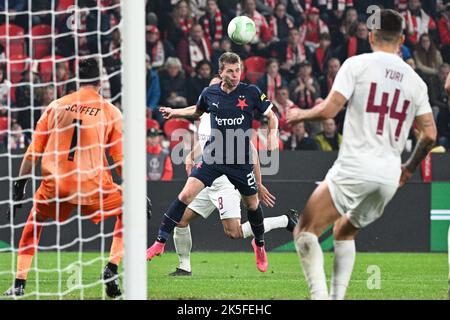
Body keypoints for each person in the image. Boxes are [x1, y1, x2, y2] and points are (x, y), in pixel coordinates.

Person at [286, 9, 437, 300]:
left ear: (370, 35)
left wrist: (300, 114)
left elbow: (329, 110)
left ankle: (319, 298)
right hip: (389, 177)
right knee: (344, 230)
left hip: (355, 167)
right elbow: (429, 135)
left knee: (305, 230)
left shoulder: (357, 64)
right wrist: (408, 168)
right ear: (402, 39)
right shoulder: (415, 81)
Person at [3, 59, 151, 298]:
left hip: (57, 184)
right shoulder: (110, 111)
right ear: (100, 82)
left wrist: (19, 186)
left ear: (76, 79)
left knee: (34, 222)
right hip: (93, 186)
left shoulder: (56, 106)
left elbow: (33, 152)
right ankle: (111, 267)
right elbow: (120, 161)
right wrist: (136, 193)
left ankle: (19, 283)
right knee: (129, 208)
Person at [147, 52, 279, 273]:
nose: (235, 75)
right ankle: (160, 243)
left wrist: (273, 135)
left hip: (240, 160)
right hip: (213, 157)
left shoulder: (251, 92)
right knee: (184, 195)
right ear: (221, 73)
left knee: (252, 206)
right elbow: (196, 111)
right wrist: (174, 112)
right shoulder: (210, 93)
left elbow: (272, 116)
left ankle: (259, 244)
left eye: (238, 70)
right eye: (230, 71)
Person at [162, 77, 298, 276]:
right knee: (180, 220)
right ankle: (184, 267)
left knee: (234, 232)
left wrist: (258, 183)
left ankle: (285, 220)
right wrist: (191, 155)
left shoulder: (231, 115)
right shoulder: (208, 115)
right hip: (207, 180)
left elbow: (251, 152)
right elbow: (207, 142)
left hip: (226, 181)